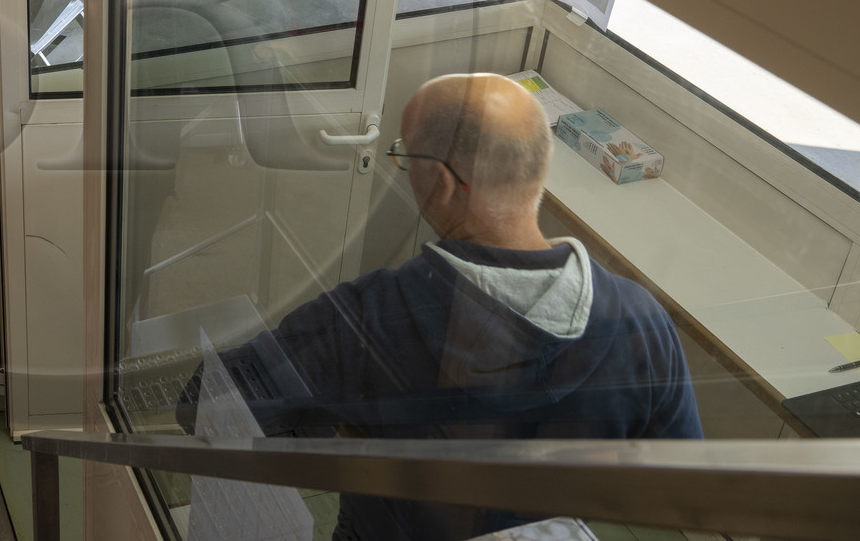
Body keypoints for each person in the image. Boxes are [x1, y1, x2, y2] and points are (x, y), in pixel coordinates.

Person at [193, 73, 703, 540]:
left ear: (439, 182)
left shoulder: (369, 316)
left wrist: (337, 432)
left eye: (405, 154)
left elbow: (207, 402)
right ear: (538, 169)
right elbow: (684, 487)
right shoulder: (640, 321)